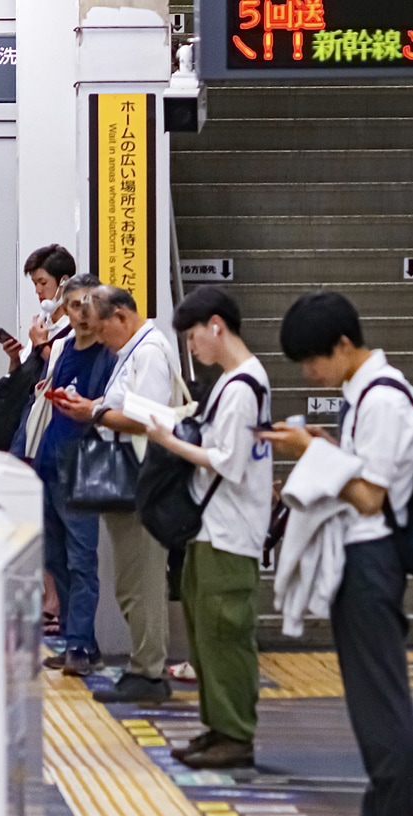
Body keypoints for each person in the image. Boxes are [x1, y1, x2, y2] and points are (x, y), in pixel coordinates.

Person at [258, 291, 413, 816]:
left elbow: (369, 496)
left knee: (380, 701)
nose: (311, 374)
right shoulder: (366, 398)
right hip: (364, 558)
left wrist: (312, 451)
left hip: (372, 558)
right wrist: (326, 447)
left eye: (314, 361)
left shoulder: (382, 401)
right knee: (370, 698)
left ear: (345, 346)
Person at [143, 286, 272, 768]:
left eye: (194, 336)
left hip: (229, 532)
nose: (192, 347)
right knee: (206, 636)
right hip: (211, 528)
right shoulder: (234, 381)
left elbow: (227, 462)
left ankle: (235, 734)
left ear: (216, 326)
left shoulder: (241, 387)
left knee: (225, 635)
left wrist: (167, 441)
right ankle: (218, 727)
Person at [55, 285, 184, 704]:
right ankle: (142, 667)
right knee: (132, 579)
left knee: (141, 579)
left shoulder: (147, 353)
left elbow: (146, 419)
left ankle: (148, 672)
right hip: (132, 477)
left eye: (100, 326)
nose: (97, 335)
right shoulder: (133, 352)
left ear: (122, 318)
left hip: (142, 478)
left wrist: (93, 411)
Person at [18, 274, 115, 676]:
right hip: (48, 463)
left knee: (81, 558)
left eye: (90, 305)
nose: (82, 314)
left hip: (84, 466)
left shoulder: (112, 354)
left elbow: (114, 408)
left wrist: (91, 406)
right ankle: (81, 642)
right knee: (54, 556)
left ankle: (79, 643)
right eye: (74, 306)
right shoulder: (60, 349)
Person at [0, 244, 76, 451]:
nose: (38, 291)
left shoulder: (74, 328)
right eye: (35, 284)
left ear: (64, 282)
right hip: (24, 417)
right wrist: (15, 358)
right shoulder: (42, 321)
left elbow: (66, 373)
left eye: (43, 283)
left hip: (49, 422)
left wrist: (42, 345)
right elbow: (21, 375)